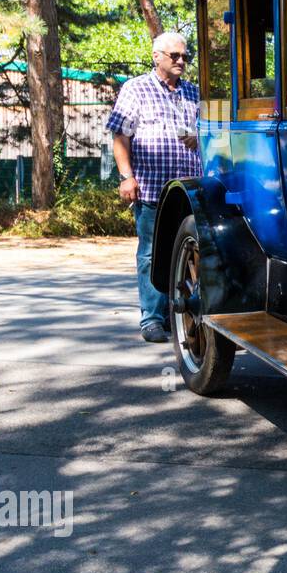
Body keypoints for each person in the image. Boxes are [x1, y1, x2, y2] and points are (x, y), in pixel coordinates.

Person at [106, 31, 202, 343]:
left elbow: (211, 134)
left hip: (189, 191)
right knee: (150, 253)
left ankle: (184, 315)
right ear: (157, 56)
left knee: (189, 253)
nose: (182, 61)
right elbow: (121, 136)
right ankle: (152, 318)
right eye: (175, 56)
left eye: (185, 56)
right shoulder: (136, 89)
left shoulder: (193, 92)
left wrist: (199, 138)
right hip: (152, 190)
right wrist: (126, 177)